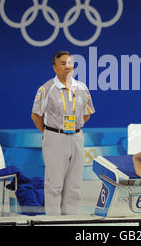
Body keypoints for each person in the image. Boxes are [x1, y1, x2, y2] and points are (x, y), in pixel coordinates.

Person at [31, 51, 95, 216]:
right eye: (63, 63)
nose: (68, 66)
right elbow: (36, 115)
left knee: (74, 184)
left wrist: (74, 128)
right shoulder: (46, 89)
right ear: (54, 67)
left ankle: (71, 219)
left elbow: (87, 113)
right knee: (54, 185)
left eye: (70, 63)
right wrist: (50, 133)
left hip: (77, 137)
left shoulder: (82, 88)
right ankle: (53, 221)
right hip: (55, 137)